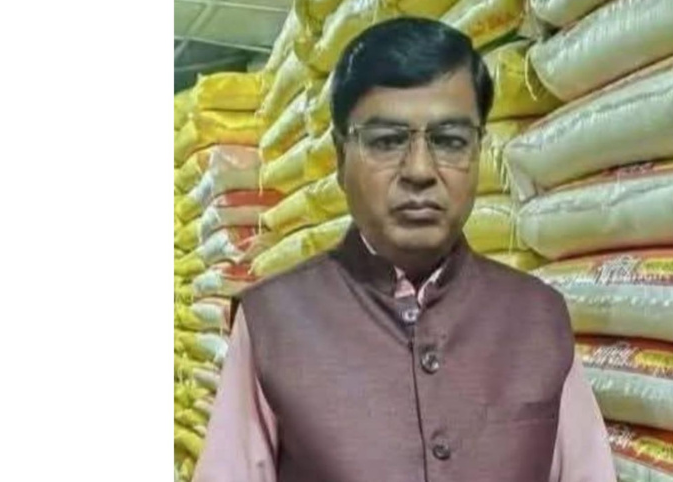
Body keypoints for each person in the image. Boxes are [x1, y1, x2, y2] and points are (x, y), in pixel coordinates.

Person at [192, 17, 616, 482]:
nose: (419, 170)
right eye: (387, 141)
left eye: (450, 141)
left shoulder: (538, 317)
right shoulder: (275, 322)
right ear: (340, 158)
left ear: (478, 152)